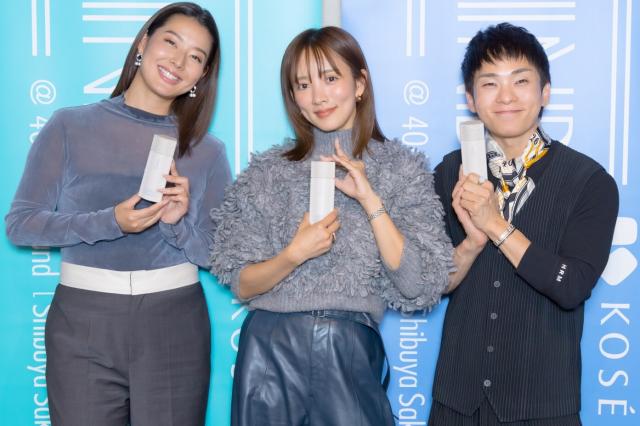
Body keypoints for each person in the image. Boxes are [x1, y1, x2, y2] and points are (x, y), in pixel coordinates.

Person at [210, 26, 465, 426]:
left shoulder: (401, 169)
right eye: (303, 84)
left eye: (330, 78)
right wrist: (294, 254)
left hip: (351, 348)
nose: (318, 96)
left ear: (359, 84)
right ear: (293, 97)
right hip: (269, 350)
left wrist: (371, 201)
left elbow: (418, 285)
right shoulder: (267, 173)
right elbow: (242, 282)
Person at [5, 3, 231, 425]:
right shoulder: (69, 126)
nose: (178, 62)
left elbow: (219, 255)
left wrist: (178, 225)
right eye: (170, 42)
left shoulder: (208, 151)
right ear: (143, 42)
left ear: (202, 76)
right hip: (83, 321)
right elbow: (21, 224)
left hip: (175, 322)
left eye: (195, 57)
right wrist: (110, 222)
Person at [428, 23, 618, 425]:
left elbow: (571, 286)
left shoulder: (589, 181)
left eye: (520, 81)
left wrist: (496, 226)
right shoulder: (449, 173)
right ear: (471, 99)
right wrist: (471, 243)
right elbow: (431, 285)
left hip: (543, 406)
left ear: (545, 92)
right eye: (490, 83)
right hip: (456, 404)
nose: (506, 96)